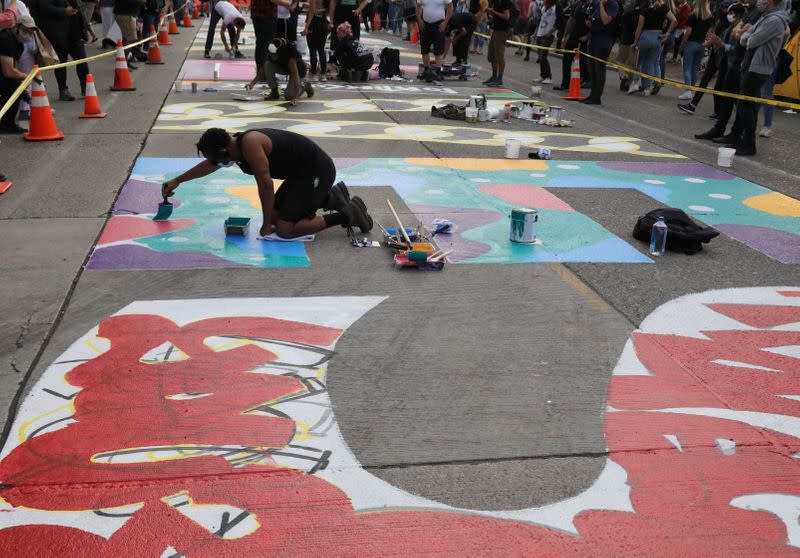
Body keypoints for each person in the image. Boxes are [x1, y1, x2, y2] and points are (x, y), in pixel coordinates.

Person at [162, 128, 374, 239]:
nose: (216, 164)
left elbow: (265, 185)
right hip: (301, 175)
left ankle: (348, 213)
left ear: (224, 151)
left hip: (317, 171)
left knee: (284, 229)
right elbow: (208, 166)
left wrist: (265, 224)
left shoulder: (251, 144)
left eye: (216, 159)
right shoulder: (234, 149)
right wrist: (178, 180)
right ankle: (331, 197)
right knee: (274, 216)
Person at [721, 0, 789, 155]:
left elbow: (750, 40)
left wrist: (747, 35)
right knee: (749, 105)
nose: (761, 1)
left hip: (758, 68)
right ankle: (746, 140)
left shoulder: (774, 20)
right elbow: (746, 37)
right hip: (751, 65)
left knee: (745, 104)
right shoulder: (766, 17)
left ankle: (749, 143)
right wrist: (746, 35)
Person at [695, 2, 747, 139]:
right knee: (725, 95)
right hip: (726, 64)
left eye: (730, 12)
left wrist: (721, 43)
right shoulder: (731, 26)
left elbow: (736, 49)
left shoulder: (741, 27)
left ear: (737, 14)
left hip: (734, 65)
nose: (727, 14)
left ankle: (738, 130)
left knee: (736, 99)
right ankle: (720, 125)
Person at [37, 0, 91, 98]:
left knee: (82, 61)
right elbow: (45, 8)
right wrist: (64, 11)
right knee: (61, 63)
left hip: (75, 33)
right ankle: (63, 90)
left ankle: (86, 87)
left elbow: (78, 10)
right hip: (58, 34)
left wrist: (84, 30)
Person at [246, 36, 314, 103]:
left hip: (299, 72)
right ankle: (274, 93)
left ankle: (305, 85)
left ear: (280, 53)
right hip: (284, 68)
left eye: (274, 55)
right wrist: (252, 84)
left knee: (289, 96)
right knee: (268, 65)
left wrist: (295, 97)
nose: (272, 57)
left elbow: (295, 77)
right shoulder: (271, 53)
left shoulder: (290, 58)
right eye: (271, 54)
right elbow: (262, 70)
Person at [628, 0, 675, 95]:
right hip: (658, 37)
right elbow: (674, 20)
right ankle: (647, 89)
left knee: (639, 61)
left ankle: (636, 83)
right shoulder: (664, 7)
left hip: (645, 36)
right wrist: (667, 34)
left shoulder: (645, 8)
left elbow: (639, 27)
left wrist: (635, 42)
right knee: (650, 63)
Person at [0, 14, 35, 133]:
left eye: (31, 32)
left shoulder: (18, 43)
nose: (29, 35)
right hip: (3, 73)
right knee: (12, 90)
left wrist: (21, 87)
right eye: (26, 31)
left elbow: (13, 69)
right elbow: (8, 71)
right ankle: (6, 125)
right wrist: (28, 77)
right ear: (17, 27)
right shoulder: (6, 39)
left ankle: (6, 123)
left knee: (15, 89)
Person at [582, 0, 619, 104]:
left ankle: (596, 97)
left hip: (604, 41)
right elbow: (593, 19)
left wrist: (602, 5)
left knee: (599, 69)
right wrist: (589, 23)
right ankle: (592, 95)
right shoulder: (598, 4)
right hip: (593, 39)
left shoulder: (613, 4)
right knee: (592, 69)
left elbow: (606, 20)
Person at [676, 0, 713, 99]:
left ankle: (687, 90)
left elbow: (687, 33)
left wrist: (682, 45)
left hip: (691, 44)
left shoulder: (693, 16)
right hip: (702, 44)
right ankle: (690, 90)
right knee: (695, 69)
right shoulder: (709, 17)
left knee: (687, 68)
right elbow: (709, 33)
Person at [554, 0, 590, 89]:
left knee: (583, 63)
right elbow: (571, 19)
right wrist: (565, 36)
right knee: (566, 60)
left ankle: (586, 81)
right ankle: (565, 84)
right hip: (573, 37)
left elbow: (597, 23)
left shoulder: (593, 5)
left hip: (584, 39)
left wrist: (588, 36)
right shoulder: (577, 4)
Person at [417, 0, 452, 80]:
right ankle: (426, 70)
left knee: (438, 49)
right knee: (424, 48)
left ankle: (438, 72)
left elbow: (450, 7)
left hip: (439, 23)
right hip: (425, 23)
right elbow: (418, 7)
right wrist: (419, 20)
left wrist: (445, 22)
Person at [483, 0, 512, 85]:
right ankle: (494, 76)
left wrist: (493, 12)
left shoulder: (504, 2)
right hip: (496, 29)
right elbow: (497, 16)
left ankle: (499, 79)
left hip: (502, 31)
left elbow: (506, 16)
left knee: (499, 56)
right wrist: (490, 14)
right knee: (492, 55)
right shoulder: (496, 2)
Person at [302, 0, 330, 81]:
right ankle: (323, 74)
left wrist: (306, 28)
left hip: (314, 24)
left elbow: (312, 12)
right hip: (324, 23)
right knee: (321, 49)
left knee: (313, 49)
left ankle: (313, 74)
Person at [616, 0, 640, 90]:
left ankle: (623, 76)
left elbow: (622, 25)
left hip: (625, 39)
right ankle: (628, 83)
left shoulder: (627, 14)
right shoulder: (642, 15)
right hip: (635, 41)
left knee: (620, 60)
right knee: (632, 64)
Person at [533, 0, 556, 82]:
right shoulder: (544, 7)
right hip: (540, 33)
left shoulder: (556, 7)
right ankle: (542, 75)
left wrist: (551, 32)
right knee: (540, 56)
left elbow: (558, 22)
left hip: (547, 35)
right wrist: (535, 33)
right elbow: (541, 20)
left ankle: (548, 77)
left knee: (543, 56)